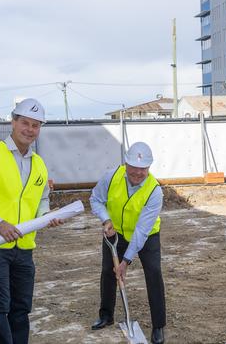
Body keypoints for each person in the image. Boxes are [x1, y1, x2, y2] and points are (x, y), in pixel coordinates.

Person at [0, 98, 63, 344]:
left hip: (23, 249)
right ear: (13, 122)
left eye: (36, 125)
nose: (30, 129)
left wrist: (45, 216)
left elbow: (42, 198)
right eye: (25, 123)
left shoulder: (39, 163)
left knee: (20, 309)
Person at [89, 141, 166, 344]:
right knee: (108, 271)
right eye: (133, 167)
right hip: (115, 232)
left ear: (149, 168)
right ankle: (106, 315)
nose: (138, 173)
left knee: (154, 273)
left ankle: (158, 326)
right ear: (125, 163)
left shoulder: (154, 191)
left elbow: (141, 231)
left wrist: (126, 262)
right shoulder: (111, 176)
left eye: (143, 169)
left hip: (147, 235)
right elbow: (95, 199)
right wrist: (106, 220)